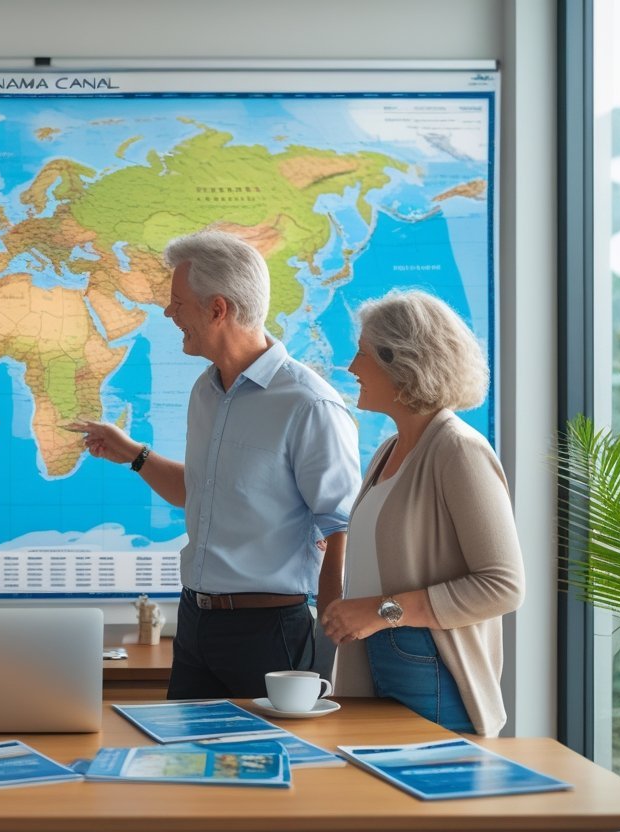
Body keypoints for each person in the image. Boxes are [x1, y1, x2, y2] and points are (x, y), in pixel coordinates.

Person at [71, 229, 361, 700]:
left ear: (217, 308)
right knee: (182, 763)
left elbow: (342, 523)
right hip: (195, 625)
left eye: (177, 302)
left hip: (270, 635)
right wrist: (134, 454)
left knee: (275, 763)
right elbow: (203, 493)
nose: (169, 313)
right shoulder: (206, 392)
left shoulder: (309, 405)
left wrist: (329, 644)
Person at [321, 290, 524, 737]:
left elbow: (503, 586)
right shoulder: (388, 450)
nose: (353, 368)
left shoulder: (459, 450)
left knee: (425, 804)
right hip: (376, 655)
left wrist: (382, 610)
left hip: (429, 662)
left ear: (402, 364)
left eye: (363, 354)